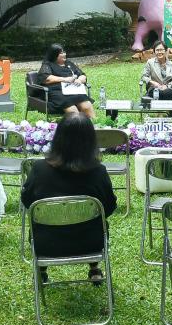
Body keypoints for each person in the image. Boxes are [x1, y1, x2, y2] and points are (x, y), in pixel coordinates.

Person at [20, 113, 117, 284]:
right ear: (91, 141)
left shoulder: (39, 169)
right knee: (96, 223)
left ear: (58, 138)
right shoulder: (99, 172)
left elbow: (27, 200)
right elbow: (109, 207)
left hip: (46, 243)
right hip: (91, 243)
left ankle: (41, 269)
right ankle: (94, 267)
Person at [38, 44, 95, 119]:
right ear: (54, 54)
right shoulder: (48, 64)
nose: (64, 54)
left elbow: (82, 75)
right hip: (58, 92)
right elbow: (46, 78)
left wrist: (80, 80)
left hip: (73, 90)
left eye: (64, 52)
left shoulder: (69, 63)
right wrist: (65, 79)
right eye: (61, 53)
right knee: (73, 110)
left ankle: (93, 124)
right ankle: (76, 124)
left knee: (87, 105)